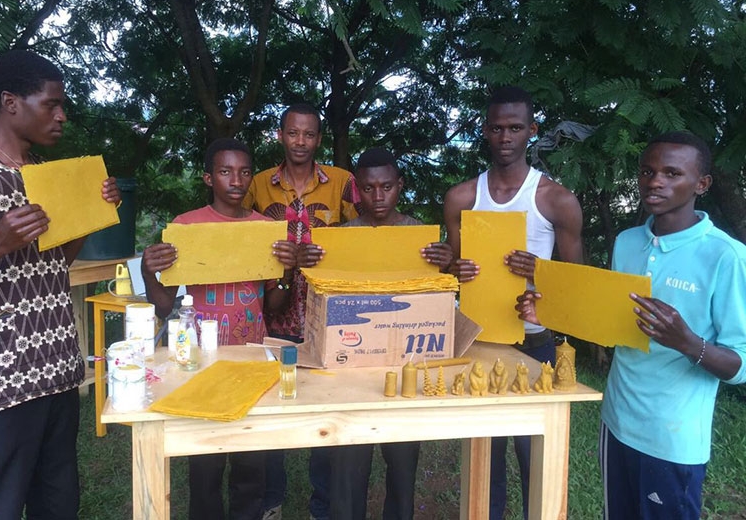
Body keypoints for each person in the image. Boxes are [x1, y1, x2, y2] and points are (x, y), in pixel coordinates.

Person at [0, 50, 121, 518]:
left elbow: (51, 265)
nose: (62, 115)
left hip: (55, 375)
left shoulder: (46, 178)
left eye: (63, 104)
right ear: (10, 103)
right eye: (51, 104)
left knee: (58, 505)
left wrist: (90, 216)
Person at [516, 131, 746, 518]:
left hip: (673, 439)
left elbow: (740, 364)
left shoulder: (726, 256)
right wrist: (549, 315)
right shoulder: (627, 242)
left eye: (672, 173)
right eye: (647, 171)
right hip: (617, 423)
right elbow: (611, 325)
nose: (655, 181)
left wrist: (688, 342)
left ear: (701, 184)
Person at [443, 86, 583, 520]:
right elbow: (450, 270)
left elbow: (577, 284)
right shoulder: (463, 197)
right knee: (485, 459)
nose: (506, 137)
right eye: (497, 128)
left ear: (532, 131)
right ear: (485, 131)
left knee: (534, 457)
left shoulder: (555, 200)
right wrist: (455, 271)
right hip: (477, 342)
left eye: (516, 128)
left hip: (533, 343)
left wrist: (540, 269)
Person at [141, 138, 298, 520]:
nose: (237, 180)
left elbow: (274, 305)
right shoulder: (186, 227)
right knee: (205, 465)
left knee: (250, 464)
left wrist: (288, 271)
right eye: (226, 171)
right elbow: (165, 307)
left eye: (244, 171)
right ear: (209, 177)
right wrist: (149, 271)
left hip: (252, 360)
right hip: (201, 363)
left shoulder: (265, 230)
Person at [244, 103, 361, 520]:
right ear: (280, 135)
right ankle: (270, 500)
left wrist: (330, 253)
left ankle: (323, 505)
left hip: (329, 314)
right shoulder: (258, 184)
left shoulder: (343, 182)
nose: (300, 142)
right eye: (292, 133)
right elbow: (240, 233)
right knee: (270, 405)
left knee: (326, 409)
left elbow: (365, 233)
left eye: (308, 134)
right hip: (274, 311)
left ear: (318, 139)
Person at [328, 147, 453, 520]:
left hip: (406, 371)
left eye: (386, 187)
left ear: (400, 186)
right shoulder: (342, 238)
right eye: (368, 188)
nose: (377, 197)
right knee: (349, 464)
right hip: (353, 369)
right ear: (356, 192)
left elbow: (437, 304)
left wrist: (444, 269)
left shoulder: (421, 237)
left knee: (402, 466)